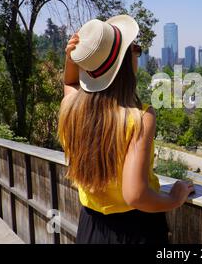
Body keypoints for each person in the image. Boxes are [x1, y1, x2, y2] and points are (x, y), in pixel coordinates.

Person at [57, 15, 194, 244]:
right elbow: (136, 195)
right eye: (135, 49)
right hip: (135, 230)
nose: (138, 54)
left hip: (90, 226)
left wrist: (72, 59)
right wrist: (174, 198)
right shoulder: (140, 118)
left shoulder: (70, 109)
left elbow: (69, 84)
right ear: (124, 64)